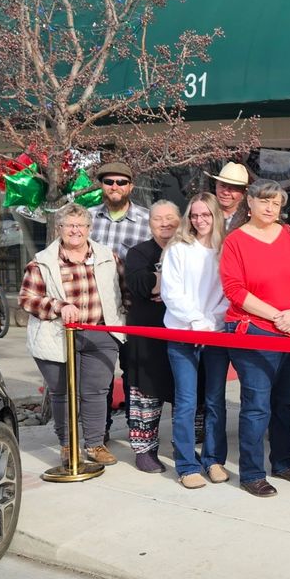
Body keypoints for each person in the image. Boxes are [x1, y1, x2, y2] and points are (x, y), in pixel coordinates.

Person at [220, 179, 290, 497]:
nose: (270, 207)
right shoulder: (235, 241)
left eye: (276, 202)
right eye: (264, 201)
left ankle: (283, 463)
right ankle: (251, 472)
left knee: (284, 403)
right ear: (250, 203)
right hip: (255, 330)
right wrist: (277, 316)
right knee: (257, 405)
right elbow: (234, 290)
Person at [20, 203, 125, 467]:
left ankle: (94, 444)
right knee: (61, 393)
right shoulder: (42, 262)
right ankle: (68, 444)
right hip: (55, 335)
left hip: (100, 333)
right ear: (59, 229)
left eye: (81, 225)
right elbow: (27, 298)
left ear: (89, 228)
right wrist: (58, 306)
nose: (75, 230)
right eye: (69, 225)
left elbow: (124, 293)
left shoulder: (108, 257)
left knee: (96, 392)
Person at [161, 193, 231, 489]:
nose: (199, 220)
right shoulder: (178, 248)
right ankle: (187, 464)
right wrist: (195, 321)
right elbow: (171, 291)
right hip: (182, 332)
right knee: (186, 401)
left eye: (206, 215)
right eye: (194, 215)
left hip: (216, 333)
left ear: (216, 216)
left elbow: (231, 290)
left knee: (216, 401)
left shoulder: (227, 248)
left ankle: (213, 459)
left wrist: (212, 321)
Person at [87, 161, 150, 439]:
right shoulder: (86, 219)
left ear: (131, 186)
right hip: (97, 312)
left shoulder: (149, 221)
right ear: (101, 185)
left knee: (134, 373)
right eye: (109, 181)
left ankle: (138, 432)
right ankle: (100, 433)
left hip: (133, 311)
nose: (115, 187)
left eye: (121, 182)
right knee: (99, 375)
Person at [123, 201, 181, 474]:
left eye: (170, 218)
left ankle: (185, 445)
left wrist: (160, 284)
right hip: (147, 331)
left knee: (185, 391)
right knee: (146, 390)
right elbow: (139, 285)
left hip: (182, 330)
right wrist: (166, 282)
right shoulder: (138, 252)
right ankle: (145, 450)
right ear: (150, 223)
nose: (165, 223)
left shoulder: (189, 250)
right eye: (158, 219)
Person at [207, 162, 251, 230]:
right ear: (216, 185)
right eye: (222, 186)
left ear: (243, 192)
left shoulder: (249, 219)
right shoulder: (204, 212)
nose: (225, 192)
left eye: (233, 188)